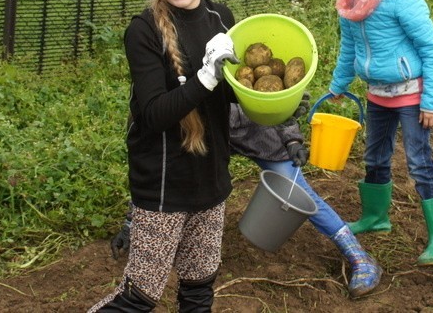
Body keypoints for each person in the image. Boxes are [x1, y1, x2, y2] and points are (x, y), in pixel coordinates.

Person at [87, 0, 239, 312]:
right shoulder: (144, 31)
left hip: (210, 178)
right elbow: (153, 113)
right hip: (163, 186)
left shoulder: (221, 19)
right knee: (140, 296)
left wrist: (280, 100)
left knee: (199, 284)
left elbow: (235, 97)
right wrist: (206, 77)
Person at [110, 101, 383, 298]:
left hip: (256, 132)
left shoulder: (227, 46)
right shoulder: (160, 97)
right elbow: (155, 166)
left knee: (297, 191)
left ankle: (359, 256)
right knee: (176, 178)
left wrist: (291, 140)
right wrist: (132, 221)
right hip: (202, 139)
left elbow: (276, 99)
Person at [326, 0, 433, 266]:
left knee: (419, 162)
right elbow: (349, 48)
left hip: (412, 95)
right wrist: (338, 85)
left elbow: (432, 49)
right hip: (377, 94)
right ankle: (375, 217)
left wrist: (431, 101)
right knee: (374, 156)